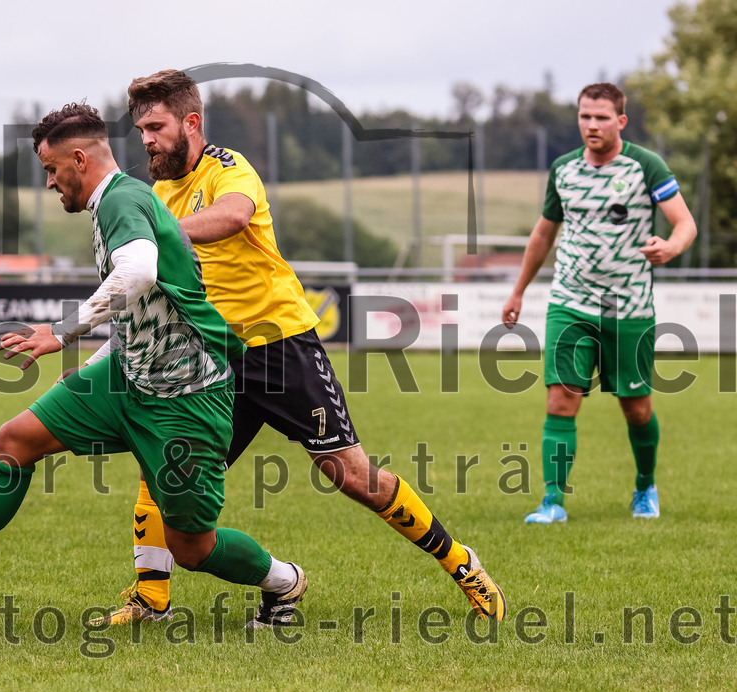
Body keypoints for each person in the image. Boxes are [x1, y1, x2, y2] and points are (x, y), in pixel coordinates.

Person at [0, 102, 309, 629]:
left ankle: (285, 582)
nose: (50, 183)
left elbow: (139, 274)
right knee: (16, 439)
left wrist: (62, 331)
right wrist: (95, 363)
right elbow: (140, 311)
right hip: (127, 377)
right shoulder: (116, 203)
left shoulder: (120, 199)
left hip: (185, 398)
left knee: (191, 546)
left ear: (79, 159)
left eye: (51, 170)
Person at [84, 69, 505, 626]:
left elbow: (233, 216)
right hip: (211, 359)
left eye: (156, 127)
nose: (147, 140)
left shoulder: (229, 170)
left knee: (350, 475)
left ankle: (463, 564)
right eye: (140, 129)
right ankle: (151, 599)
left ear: (191, 122)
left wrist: (164, 232)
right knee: (163, 466)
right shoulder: (156, 192)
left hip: (280, 346)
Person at [502, 82, 696, 524]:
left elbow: (685, 223)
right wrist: (519, 290)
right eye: (585, 116)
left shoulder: (646, 166)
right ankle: (553, 502)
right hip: (570, 302)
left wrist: (669, 247)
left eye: (602, 117)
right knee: (560, 401)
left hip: (628, 307)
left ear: (621, 121)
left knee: (637, 407)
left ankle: (645, 486)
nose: (592, 125)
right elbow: (544, 234)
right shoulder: (563, 170)